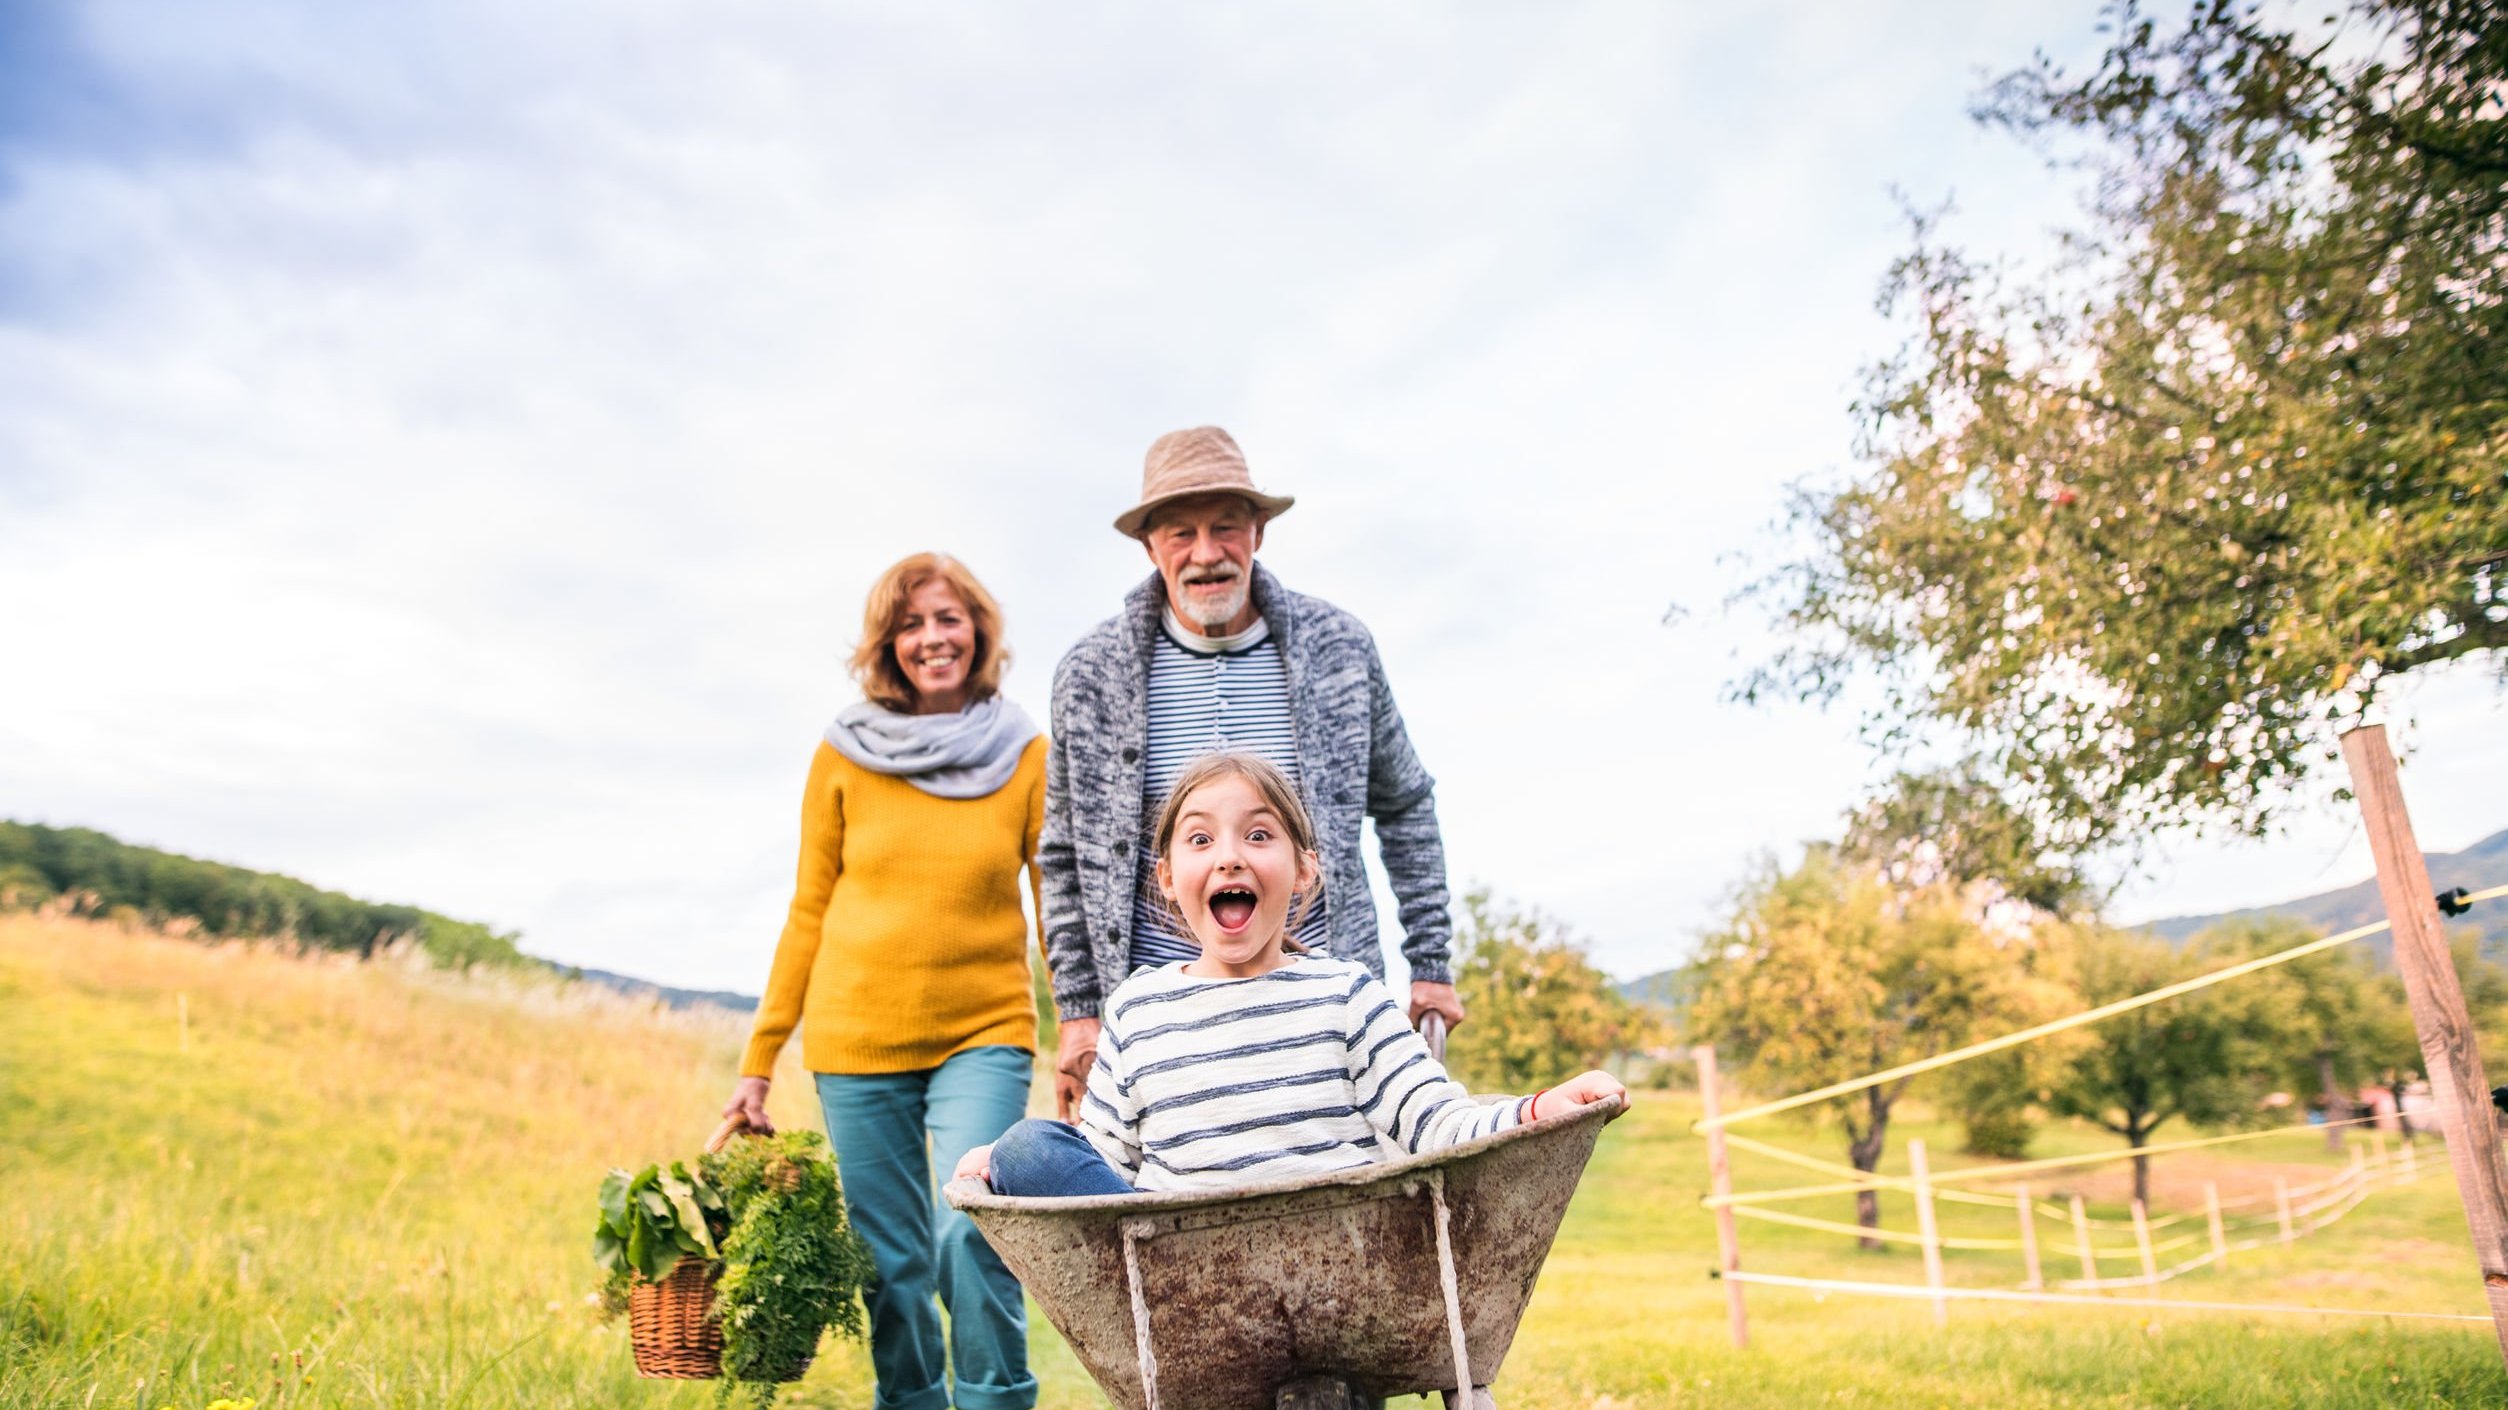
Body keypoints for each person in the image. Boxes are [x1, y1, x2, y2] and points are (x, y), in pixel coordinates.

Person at [1039, 425, 1466, 1120]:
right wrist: (1081, 1011)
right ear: (1149, 546)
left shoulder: (1339, 650)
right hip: (1158, 1028)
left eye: (1226, 527)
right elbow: (1062, 854)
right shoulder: (1091, 675)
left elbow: (1406, 803)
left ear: (1259, 532)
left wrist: (1431, 963)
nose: (1206, 554)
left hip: (1321, 1008)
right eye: (1181, 533)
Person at [959, 753, 1625, 1197]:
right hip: (1173, 1278)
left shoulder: (1344, 995)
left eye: (1258, 835)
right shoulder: (1139, 1010)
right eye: (1199, 839)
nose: (1228, 858)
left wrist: (1542, 1109)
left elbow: (1435, 1121)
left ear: (1304, 869)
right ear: (1166, 878)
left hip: (1337, 1266)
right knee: (1029, 1146)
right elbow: (1106, 1159)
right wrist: (1013, 1162)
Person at [723, 553, 1045, 1410]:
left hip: (985, 1030)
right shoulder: (843, 753)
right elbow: (808, 908)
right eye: (911, 623)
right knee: (889, 1266)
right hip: (855, 1041)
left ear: (978, 631)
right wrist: (759, 1059)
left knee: (972, 1232)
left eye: (948, 618)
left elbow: (1061, 905)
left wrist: (1090, 1029)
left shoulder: (1024, 751)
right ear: (886, 642)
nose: (932, 638)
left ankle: (996, 1399)